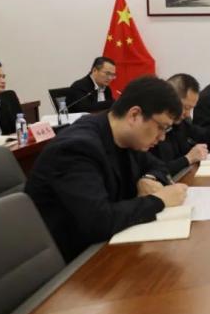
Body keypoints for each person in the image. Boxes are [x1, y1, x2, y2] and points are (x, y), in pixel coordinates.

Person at [26, 76, 188, 262]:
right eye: (161, 127)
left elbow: (158, 165)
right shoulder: (77, 148)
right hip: (74, 261)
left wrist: (149, 178)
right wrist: (159, 200)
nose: (162, 137)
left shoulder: (126, 137)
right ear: (134, 115)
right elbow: (99, 221)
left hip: (110, 244)